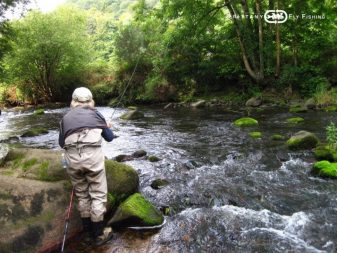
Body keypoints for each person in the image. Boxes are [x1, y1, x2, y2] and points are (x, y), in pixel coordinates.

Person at [59, 87, 114, 246]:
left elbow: (61, 143)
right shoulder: (96, 114)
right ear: (91, 101)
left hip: (72, 160)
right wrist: (106, 126)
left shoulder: (65, 119)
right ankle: (98, 235)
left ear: (73, 101)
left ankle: (87, 234)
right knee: (97, 194)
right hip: (92, 159)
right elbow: (109, 138)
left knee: (82, 195)